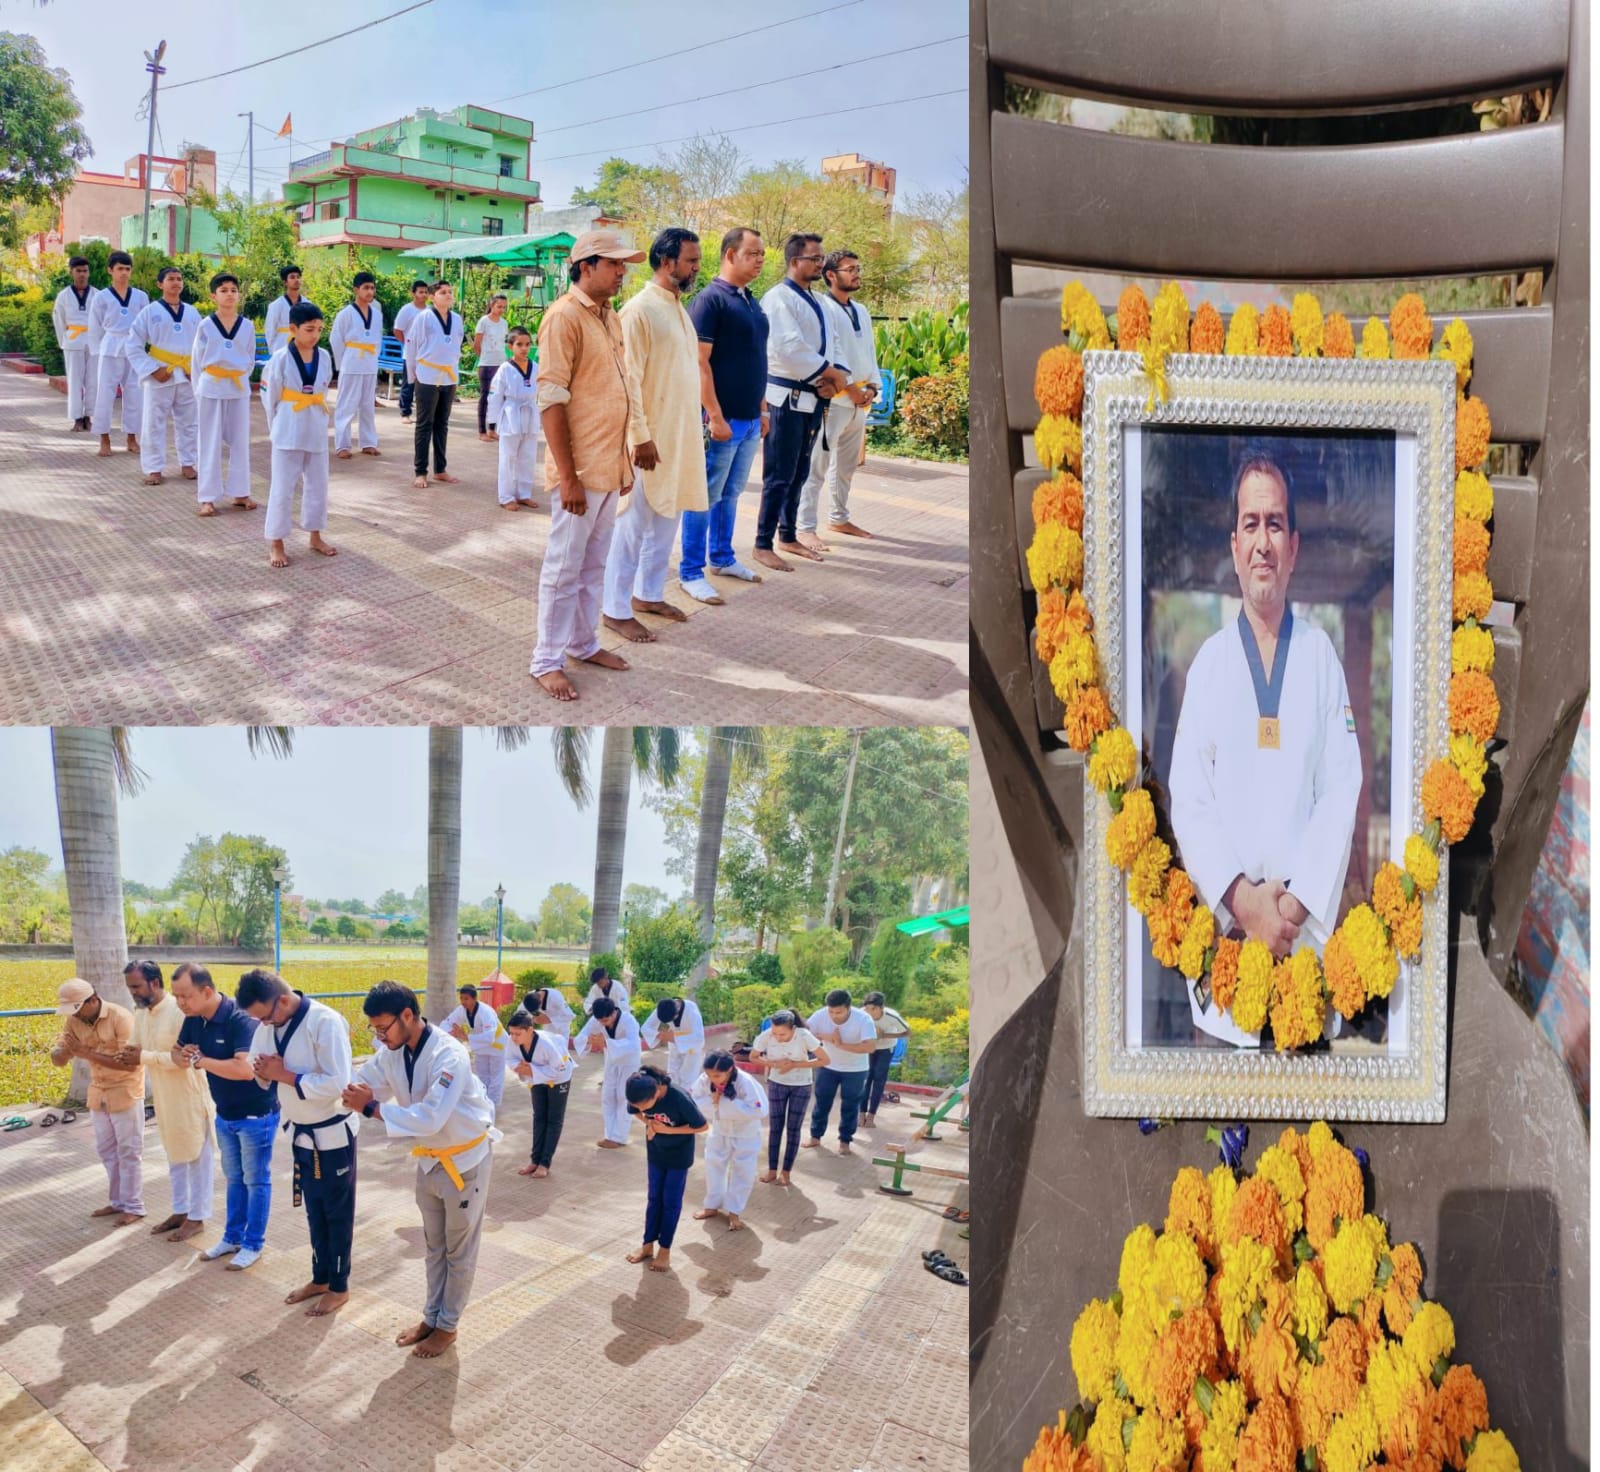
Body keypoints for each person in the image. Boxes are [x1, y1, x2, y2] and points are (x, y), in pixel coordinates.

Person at [1169, 450, 1364, 987]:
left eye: (1275, 524)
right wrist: (1244, 903)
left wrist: (1292, 908)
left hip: (1302, 952)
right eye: (1250, 524)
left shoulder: (1321, 657)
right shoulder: (1209, 663)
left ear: (1293, 548)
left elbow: (1341, 787)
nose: (1262, 542)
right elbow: (1190, 798)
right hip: (1229, 952)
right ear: (1234, 546)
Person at [342, 981, 500, 1358]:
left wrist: (371, 1108)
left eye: (384, 1027)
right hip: (430, 1160)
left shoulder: (449, 1054)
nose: (380, 1037)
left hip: (465, 1162)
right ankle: (431, 1317)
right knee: (434, 1246)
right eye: (375, 1030)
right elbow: (364, 1083)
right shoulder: (392, 1052)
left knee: (459, 1250)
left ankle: (448, 1326)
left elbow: (431, 1117)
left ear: (408, 1015)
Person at [530, 229, 644, 702]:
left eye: (624, 265)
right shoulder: (564, 317)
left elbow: (616, 390)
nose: (621, 273)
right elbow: (551, 399)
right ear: (586, 266)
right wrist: (568, 477)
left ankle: (583, 643)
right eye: (614, 264)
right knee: (563, 567)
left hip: (608, 467)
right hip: (579, 472)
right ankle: (547, 660)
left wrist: (624, 460)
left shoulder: (609, 316)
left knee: (594, 565)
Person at [603, 227, 707, 645]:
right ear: (667, 262)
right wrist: (639, 437)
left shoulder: (679, 310)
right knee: (631, 526)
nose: (696, 268)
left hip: (679, 438)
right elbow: (628, 381)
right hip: (647, 443)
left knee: (667, 521)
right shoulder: (639, 311)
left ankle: (647, 594)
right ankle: (615, 608)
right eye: (691, 261)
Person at [239, 969, 359, 1317]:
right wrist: (263, 1071)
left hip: (332, 1136)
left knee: (337, 1214)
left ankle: (339, 1286)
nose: (263, 1024)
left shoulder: (324, 1022)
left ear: (283, 1000)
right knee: (314, 1211)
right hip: (301, 1134)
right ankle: (320, 1278)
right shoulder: (267, 1026)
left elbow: (338, 1082)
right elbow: (257, 1066)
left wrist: (284, 1075)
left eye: (265, 1016)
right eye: (258, 1020)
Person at [680, 226, 770, 605]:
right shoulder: (710, 301)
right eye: (753, 253)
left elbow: (758, 359)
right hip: (721, 420)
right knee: (705, 494)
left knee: (731, 493)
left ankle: (722, 557)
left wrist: (762, 409)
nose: (760, 260)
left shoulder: (751, 302)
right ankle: (690, 571)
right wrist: (714, 415)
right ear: (730, 255)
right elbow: (699, 363)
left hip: (749, 419)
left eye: (762, 254)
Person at [754, 233, 850, 572]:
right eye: (815, 258)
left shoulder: (821, 302)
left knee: (800, 472)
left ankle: (788, 535)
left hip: (814, 395)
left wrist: (835, 379)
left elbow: (835, 344)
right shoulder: (778, 298)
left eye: (822, 258)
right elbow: (788, 347)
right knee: (779, 474)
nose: (821, 264)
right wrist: (829, 374)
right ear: (795, 261)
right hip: (785, 398)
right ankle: (762, 543)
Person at [172, 964, 277, 1269]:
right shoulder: (194, 1019)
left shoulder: (239, 1019)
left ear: (206, 991)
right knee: (234, 1179)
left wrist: (201, 1060)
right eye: (176, 996)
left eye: (185, 996)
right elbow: (177, 1054)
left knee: (256, 1181)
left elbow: (245, 1070)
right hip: (225, 1114)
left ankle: (253, 1244)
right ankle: (232, 1237)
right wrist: (184, 1056)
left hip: (256, 1116)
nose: (180, 1002)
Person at [122, 961, 213, 1242]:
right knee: (174, 1155)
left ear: (155, 982)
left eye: (136, 986)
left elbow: (184, 1060)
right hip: (163, 1097)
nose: (133, 992)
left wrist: (143, 1057)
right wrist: (127, 1054)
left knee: (197, 1157)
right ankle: (180, 1210)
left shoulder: (180, 1011)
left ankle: (198, 1217)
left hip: (190, 1096)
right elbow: (135, 1047)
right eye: (129, 987)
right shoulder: (142, 1013)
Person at [797, 248, 881, 547]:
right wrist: (851, 389)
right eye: (850, 269)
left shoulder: (862, 310)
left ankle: (839, 517)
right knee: (816, 466)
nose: (857, 274)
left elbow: (869, 352)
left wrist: (873, 388)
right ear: (831, 275)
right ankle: (805, 526)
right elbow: (828, 354)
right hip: (833, 401)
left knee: (846, 467)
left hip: (861, 401)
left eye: (858, 268)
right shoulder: (823, 308)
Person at [49, 978, 144, 1225]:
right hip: (98, 1093)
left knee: (129, 1151)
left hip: (125, 1091)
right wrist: (60, 1053)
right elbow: (59, 1058)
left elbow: (130, 1064)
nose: (74, 1015)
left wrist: (85, 1053)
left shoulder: (120, 1017)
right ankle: (118, 1202)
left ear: (92, 1000)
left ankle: (134, 1206)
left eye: (77, 1008)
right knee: (106, 1150)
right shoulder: (74, 1021)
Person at [262, 301, 337, 570]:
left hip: (315, 425)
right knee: (283, 487)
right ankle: (276, 540)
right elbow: (270, 398)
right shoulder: (280, 358)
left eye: (319, 329)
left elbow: (323, 391)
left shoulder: (324, 356)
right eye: (309, 329)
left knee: (318, 484)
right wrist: (276, 428)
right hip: (288, 427)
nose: (315, 335)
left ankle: (315, 535)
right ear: (293, 329)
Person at [623, 1065, 707, 1272]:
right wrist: (649, 1123)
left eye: (645, 1106)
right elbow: (636, 1112)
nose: (641, 1109)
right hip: (656, 1152)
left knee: (670, 1203)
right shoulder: (640, 1092)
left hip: (678, 1156)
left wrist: (668, 1130)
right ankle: (647, 1245)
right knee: (654, 1199)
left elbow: (702, 1126)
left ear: (657, 1092)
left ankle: (665, 1250)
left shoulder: (679, 1098)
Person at [189, 271, 258, 516]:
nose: (229, 294)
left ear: (239, 295)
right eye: (224, 290)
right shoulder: (206, 325)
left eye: (233, 290)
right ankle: (207, 497)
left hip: (237, 387)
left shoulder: (247, 326)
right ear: (213, 296)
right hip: (211, 387)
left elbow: (250, 358)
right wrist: (199, 391)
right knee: (209, 441)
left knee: (240, 442)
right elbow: (196, 361)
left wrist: (240, 379)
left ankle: (240, 492)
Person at [130, 265, 201, 486]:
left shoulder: (192, 313)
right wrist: (152, 369)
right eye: (171, 279)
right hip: (159, 373)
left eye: (179, 279)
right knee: (154, 422)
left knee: (189, 422)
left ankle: (188, 463)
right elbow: (133, 344)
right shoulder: (149, 312)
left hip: (187, 373)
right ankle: (153, 468)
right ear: (160, 284)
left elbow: (203, 344)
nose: (176, 283)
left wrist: (195, 368)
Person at [747, 1008, 828, 1185]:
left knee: (793, 1129)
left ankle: (786, 1172)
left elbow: (824, 1060)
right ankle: (772, 1170)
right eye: (775, 1033)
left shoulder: (804, 1035)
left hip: (801, 1085)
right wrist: (773, 1064)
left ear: (793, 1028)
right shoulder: (766, 1036)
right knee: (775, 1128)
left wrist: (794, 1065)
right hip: (777, 1083)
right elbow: (753, 1057)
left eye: (783, 1034)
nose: (778, 1037)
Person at [690, 1051, 768, 1231]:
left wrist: (723, 1102)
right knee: (713, 1166)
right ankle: (711, 1205)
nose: (712, 1079)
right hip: (720, 1130)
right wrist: (714, 1103)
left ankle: (734, 1211)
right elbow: (695, 1099)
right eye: (709, 1074)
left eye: (717, 1075)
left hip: (745, 1134)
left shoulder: (745, 1082)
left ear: (730, 1069)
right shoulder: (705, 1079)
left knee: (743, 1171)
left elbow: (758, 1110)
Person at [403, 280, 464, 490]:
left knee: (442, 424)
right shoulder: (424, 317)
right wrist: (412, 375)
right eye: (443, 292)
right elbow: (411, 347)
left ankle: (440, 469)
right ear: (432, 297)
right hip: (427, 374)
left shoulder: (457, 319)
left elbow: (456, 345)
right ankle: (420, 472)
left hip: (449, 375)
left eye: (450, 291)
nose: (448, 295)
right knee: (424, 424)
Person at [802, 988, 877, 1154]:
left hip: (856, 1069)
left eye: (839, 1012)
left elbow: (870, 1047)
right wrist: (827, 1037)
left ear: (849, 1008)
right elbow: (805, 1033)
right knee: (822, 1101)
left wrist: (841, 1045)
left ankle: (845, 1140)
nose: (834, 1016)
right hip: (828, 1066)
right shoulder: (820, 1015)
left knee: (850, 1104)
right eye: (831, 1011)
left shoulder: (863, 1019)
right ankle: (815, 1136)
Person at [505, 1007, 576, 1179]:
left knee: (553, 1120)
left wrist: (531, 1070)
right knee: (539, 1117)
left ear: (530, 1030)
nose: (513, 1038)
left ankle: (544, 1163)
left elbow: (556, 1069)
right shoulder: (511, 1041)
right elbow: (509, 1058)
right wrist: (520, 1067)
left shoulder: (546, 1044)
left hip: (560, 1077)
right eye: (511, 1033)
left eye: (518, 1034)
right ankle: (534, 1160)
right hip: (536, 1078)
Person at [89, 250, 147, 457]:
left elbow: (146, 324)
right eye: (120, 269)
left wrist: (144, 350)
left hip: (133, 347)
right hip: (110, 347)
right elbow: (94, 327)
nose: (124, 273)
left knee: (135, 394)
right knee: (105, 394)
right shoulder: (101, 297)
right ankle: (104, 439)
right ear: (110, 270)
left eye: (127, 269)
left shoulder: (140, 296)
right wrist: (97, 352)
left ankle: (132, 438)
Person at [575, 996, 642, 1148]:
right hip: (611, 1060)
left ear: (614, 1013)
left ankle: (620, 1137)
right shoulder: (597, 1020)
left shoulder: (629, 1020)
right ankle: (609, 1136)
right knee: (607, 1096)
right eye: (600, 1021)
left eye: (605, 1020)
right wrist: (590, 1040)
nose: (603, 1024)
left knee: (624, 1096)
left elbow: (633, 1044)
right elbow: (582, 1037)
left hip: (629, 1061)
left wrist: (606, 1042)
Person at [330, 272, 385, 460]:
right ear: (356, 290)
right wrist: (342, 364)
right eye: (365, 288)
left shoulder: (376, 314)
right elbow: (336, 339)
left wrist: (374, 359)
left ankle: (368, 442)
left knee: (368, 405)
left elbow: (377, 339)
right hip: (351, 362)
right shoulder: (345, 314)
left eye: (372, 288)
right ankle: (342, 445)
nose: (370, 291)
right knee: (346, 405)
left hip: (369, 363)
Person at [486, 326, 539, 510]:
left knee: (528, 456)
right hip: (511, 414)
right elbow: (495, 397)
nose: (524, 348)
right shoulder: (505, 369)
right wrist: (492, 424)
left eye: (527, 344)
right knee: (508, 457)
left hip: (530, 413)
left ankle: (524, 494)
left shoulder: (536, 367)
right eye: (519, 344)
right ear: (510, 346)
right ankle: (506, 497)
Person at [440, 983, 507, 1115]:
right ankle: (483, 1103)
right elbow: (448, 1022)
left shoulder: (486, 1012)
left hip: (497, 1045)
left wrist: (465, 1036)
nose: (463, 1002)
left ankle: (492, 1107)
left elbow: (489, 1037)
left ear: (474, 998)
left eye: (466, 998)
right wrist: (448, 1033)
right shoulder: (461, 1010)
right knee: (482, 1076)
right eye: (461, 998)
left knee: (495, 1078)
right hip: (480, 1046)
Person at [52, 254, 97, 431]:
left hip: (93, 340)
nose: (82, 274)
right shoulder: (63, 296)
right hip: (73, 340)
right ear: (71, 272)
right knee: (74, 380)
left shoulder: (97, 295)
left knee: (93, 380)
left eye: (85, 271)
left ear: (89, 272)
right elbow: (58, 320)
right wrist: (63, 341)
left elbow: (104, 320)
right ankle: (77, 418)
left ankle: (88, 416)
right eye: (78, 271)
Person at [858, 990, 909, 1130]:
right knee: (865, 1079)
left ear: (881, 1007)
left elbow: (907, 1032)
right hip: (868, 1048)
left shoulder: (892, 1016)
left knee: (879, 1080)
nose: (870, 1012)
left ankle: (871, 1116)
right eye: (867, 1008)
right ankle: (861, 1114)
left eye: (873, 1009)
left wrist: (884, 1035)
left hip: (886, 1049)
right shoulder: (861, 1014)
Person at [641, 994, 706, 1092]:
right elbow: (646, 1027)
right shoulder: (663, 1008)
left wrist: (674, 1038)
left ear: (677, 1011)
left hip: (692, 1046)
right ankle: (673, 1096)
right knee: (672, 1074)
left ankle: (686, 1098)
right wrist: (659, 1035)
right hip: (674, 1044)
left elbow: (699, 1038)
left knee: (688, 1078)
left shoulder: (691, 1010)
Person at [392, 280, 431, 421]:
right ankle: (405, 413)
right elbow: (397, 330)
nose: (424, 295)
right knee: (409, 383)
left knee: (425, 385)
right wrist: (408, 344)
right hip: (410, 353)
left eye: (426, 292)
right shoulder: (407, 310)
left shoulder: (430, 311)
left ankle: (424, 414)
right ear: (413, 293)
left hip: (426, 354)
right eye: (420, 292)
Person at [473, 293, 509, 439]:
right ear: (491, 305)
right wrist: (484, 357)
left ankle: (492, 429)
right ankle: (482, 431)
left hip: (500, 363)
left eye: (504, 307)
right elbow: (476, 344)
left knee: (498, 397)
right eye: (499, 306)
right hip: (487, 364)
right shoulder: (484, 321)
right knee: (485, 396)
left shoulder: (504, 323)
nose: (501, 310)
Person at [262, 264, 313, 348]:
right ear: (285, 282)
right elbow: (269, 330)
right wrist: (274, 349)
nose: (296, 280)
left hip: (302, 345)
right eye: (292, 277)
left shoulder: (308, 304)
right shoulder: (276, 305)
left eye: (298, 277)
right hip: (281, 345)